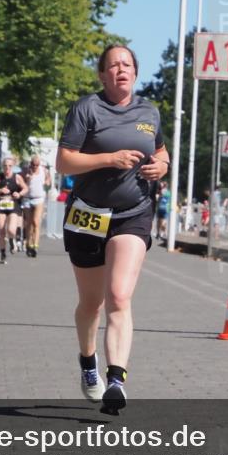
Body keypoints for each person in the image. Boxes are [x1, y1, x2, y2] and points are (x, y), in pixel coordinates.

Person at [56, 44, 169, 415]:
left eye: (127, 64)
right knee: (93, 303)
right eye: (113, 65)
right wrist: (109, 159)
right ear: (102, 74)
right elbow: (64, 162)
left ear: (135, 72)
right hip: (88, 213)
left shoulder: (149, 111)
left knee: (119, 296)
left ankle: (116, 379)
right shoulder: (86, 109)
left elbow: (162, 151)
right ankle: (88, 364)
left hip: (133, 212)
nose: (121, 70)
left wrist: (162, 167)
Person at [0, 157, 28, 264]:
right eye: (5, 166)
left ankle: (12, 240)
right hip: (1, 206)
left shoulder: (17, 177)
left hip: (13, 205)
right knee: (1, 232)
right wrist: (0, 190)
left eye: (10, 166)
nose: (7, 168)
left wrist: (19, 194)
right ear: (2, 166)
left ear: (13, 166)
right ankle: (3, 254)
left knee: (11, 230)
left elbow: (25, 188)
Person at [22, 155, 52, 257]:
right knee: (28, 223)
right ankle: (28, 244)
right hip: (27, 199)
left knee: (36, 222)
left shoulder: (44, 170)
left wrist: (47, 182)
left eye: (37, 165)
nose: (35, 166)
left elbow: (49, 182)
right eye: (33, 164)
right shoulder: (26, 171)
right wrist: (28, 178)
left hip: (39, 199)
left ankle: (35, 246)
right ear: (30, 164)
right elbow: (23, 184)